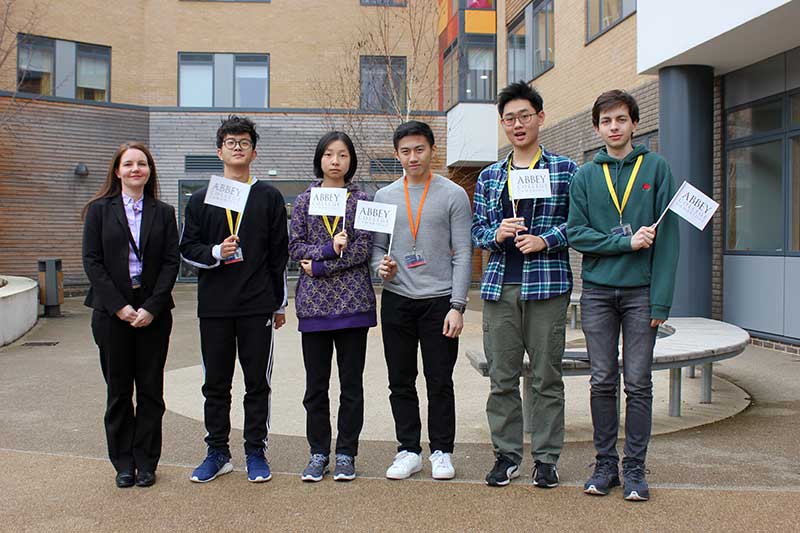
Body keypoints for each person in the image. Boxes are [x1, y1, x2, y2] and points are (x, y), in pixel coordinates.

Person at [567, 90, 679, 501]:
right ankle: (604, 464)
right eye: (606, 121)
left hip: (640, 294)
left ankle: (634, 467)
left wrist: (661, 300)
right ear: (597, 128)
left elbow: (669, 240)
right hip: (597, 292)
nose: (614, 127)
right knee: (601, 380)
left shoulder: (656, 168)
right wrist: (625, 243)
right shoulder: (584, 175)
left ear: (634, 123)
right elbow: (576, 233)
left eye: (621, 119)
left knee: (639, 382)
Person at [471, 81, 577, 487]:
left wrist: (546, 239)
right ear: (503, 123)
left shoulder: (565, 170)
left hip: (547, 286)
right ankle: (507, 454)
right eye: (510, 118)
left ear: (540, 118)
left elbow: (580, 224)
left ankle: (547, 458)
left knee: (546, 376)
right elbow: (477, 230)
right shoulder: (490, 176)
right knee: (502, 377)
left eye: (525, 116)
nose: (518, 124)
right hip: (500, 288)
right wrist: (496, 233)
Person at [180, 115, 289, 484]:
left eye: (243, 142)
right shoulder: (200, 198)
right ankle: (217, 452)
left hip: (258, 304)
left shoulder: (269, 197)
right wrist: (216, 250)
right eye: (230, 142)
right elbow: (187, 248)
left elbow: (280, 254)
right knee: (216, 384)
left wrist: (279, 304)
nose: (237, 147)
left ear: (254, 152)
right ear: (219, 151)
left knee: (257, 382)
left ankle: (256, 452)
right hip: (215, 305)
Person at [371, 120, 472, 480]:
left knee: (439, 379)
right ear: (396, 153)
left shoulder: (453, 194)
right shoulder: (383, 197)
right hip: (397, 299)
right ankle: (408, 450)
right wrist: (379, 267)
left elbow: (463, 252)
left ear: (432, 150)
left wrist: (457, 305)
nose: (412, 157)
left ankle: (442, 450)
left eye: (419, 149)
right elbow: (377, 249)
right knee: (400, 379)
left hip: (439, 301)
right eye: (405, 151)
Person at [82, 142, 179, 488]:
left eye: (142, 163)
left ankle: (147, 461)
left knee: (151, 391)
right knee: (119, 391)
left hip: (152, 313)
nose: (135, 169)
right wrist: (119, 306)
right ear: (117, 171)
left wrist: (151, 307)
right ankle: (123, 463)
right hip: (112, 314)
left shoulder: (164, 212)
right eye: (128, 164)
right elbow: (92, 262)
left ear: (149, 170)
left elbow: (171, 263)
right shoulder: (98, 210)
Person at [289, 131, 377, 483]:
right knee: (316, 387)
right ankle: (318, 452)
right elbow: (295, 247)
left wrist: (323, 265)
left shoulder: (361, 200)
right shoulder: (304, 200)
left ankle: (346, 453)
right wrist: (326, 249)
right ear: (320, 159)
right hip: (314, 308)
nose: (335, 161)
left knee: (351, 385)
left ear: (350, 160)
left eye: (342, 155)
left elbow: (364, 248)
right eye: (329, 154)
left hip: (353, 303)